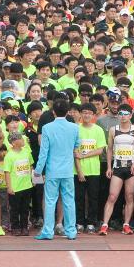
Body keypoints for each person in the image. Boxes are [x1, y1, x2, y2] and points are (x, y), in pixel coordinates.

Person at [35, 100, 81, 240]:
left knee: (50, 201)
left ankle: (48, 231)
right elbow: (76, 144)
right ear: (68, 112)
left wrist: (38, 169)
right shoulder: (74, 127)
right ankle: (71, 231)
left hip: (52, 170)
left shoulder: (47, 128)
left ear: (53, 111)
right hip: (67, 169)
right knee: (69, 200)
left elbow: (44, 152)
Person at [100, 108, 134, 235]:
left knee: (129, 196)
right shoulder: (113, 130)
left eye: (126, 114)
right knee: (112, 196)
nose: (123, 116)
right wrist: (109, 167)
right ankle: (104, 225)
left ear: (131, 115)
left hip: (131, 168)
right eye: (121, 114)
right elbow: (110, 149)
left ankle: (126, 224)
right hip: (117, 167)